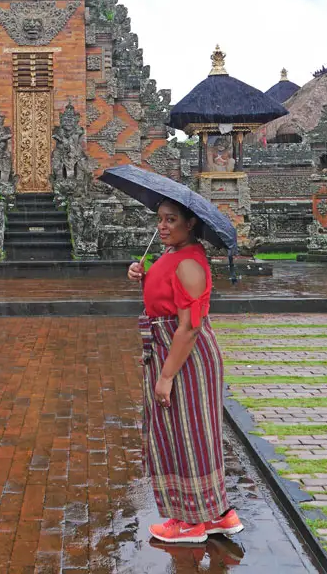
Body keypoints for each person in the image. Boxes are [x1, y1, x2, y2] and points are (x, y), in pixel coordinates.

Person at [128, 198, 243, 543]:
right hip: (169, 348)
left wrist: (166, 376)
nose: (162, 226)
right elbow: (163, 293)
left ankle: (190, 522)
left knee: (185, 435)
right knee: (191, 431)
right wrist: (141, 273)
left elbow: (189, 327)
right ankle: (218, 514)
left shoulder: (190, 262)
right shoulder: (172, 255)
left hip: (184, 357)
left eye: (171, 220)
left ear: (190, 223)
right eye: (160, 219)